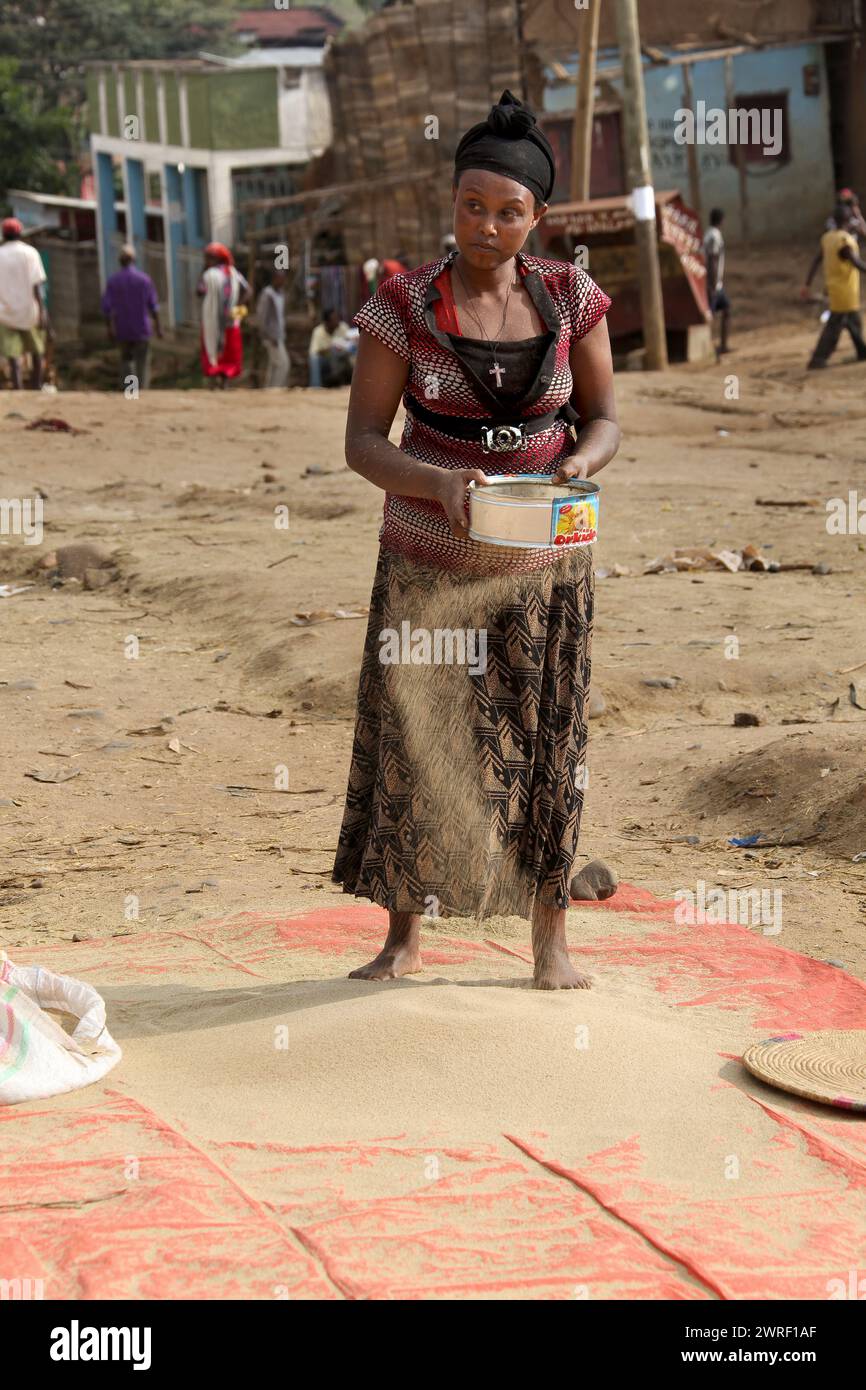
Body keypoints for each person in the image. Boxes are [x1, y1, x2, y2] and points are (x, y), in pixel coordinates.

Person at [331, 90, 620, 989]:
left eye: (508, 212)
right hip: (427, 560)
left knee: (546, 745)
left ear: (537, 217)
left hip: (543, 567)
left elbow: (605, 418)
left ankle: (551, 945)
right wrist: (438, 483)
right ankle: (402, 939)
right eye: (471, 207)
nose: (486, 228)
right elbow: (363, 442)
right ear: (451, 203)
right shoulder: (403, 305)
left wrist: (577, 465)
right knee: (420, 741)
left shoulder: (573, 298)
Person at [802, 202, 866, 369]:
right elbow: (856, 262)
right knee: (834, 327)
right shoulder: (844, 241)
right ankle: (818, 359)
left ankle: (862, 352)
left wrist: (807, 284)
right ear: (848, 220)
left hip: (835, 288)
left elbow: (817, 261)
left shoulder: (828, 237)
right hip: (845, 291)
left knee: (854, 322)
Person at [100, 243, 161, 391]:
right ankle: (142, 390)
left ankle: (131, 391)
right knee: (142, 362)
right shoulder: (144, 280)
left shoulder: (114, 281)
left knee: (127, 359)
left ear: (120, 261)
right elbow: (153, 305)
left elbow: (107, 308)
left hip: (123, 328)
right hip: (142, 328)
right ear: (134, 259)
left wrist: (109, 328)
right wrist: (158, 327)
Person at [0, 217, 49, 390]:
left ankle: (18, 388)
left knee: (13, 357)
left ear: (4, 234)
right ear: (20, 233)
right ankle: (37, 387)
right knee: (37, 351)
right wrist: (43, 312)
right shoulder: (31, 253)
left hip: (5, 313)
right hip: (29, 311)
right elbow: (37, 286)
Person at [197, 242, 250, 387]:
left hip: (212, 320)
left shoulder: (208, 275)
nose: (207, 261)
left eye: (209, 258)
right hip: (231, 319)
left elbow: (199, 291)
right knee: (229, 351)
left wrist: (204, 270)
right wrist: (238, 306)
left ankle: (215, 378)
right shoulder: (235, 273)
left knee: (212, 346)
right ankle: (224, 379)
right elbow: (247, 291)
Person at [702, 207, 730, 356]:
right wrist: (712, 285)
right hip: (713, 284)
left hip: (715, 284)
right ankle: (711, 348)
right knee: (710, 317)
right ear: (721, 220)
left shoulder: (709, 234)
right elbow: (712, 260)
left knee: (726, 309)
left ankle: (722, 346)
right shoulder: (714, 236)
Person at [256, 269, 289, 388]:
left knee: (274, 365)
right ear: (274, 278)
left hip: (279, 335)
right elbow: (261, 317)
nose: (283, 281)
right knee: (283, 364)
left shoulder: (281, 293)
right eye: (280, 278)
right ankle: (276, 388)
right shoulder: (267, 294)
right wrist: (269, 336)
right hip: (271, 337)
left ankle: (269, 388)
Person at [308, 308, 357, 387]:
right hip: (326, 359)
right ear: (327, 322)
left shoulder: (343, 327)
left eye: (337, 318)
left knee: (354, 354)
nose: (337, 321)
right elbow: (314, 352)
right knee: (314, 359)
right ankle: (316, 386)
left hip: (342, 357)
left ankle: (355, 385)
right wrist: (331, 348)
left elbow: (349, 344)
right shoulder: (318, 331)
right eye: (334, 319)